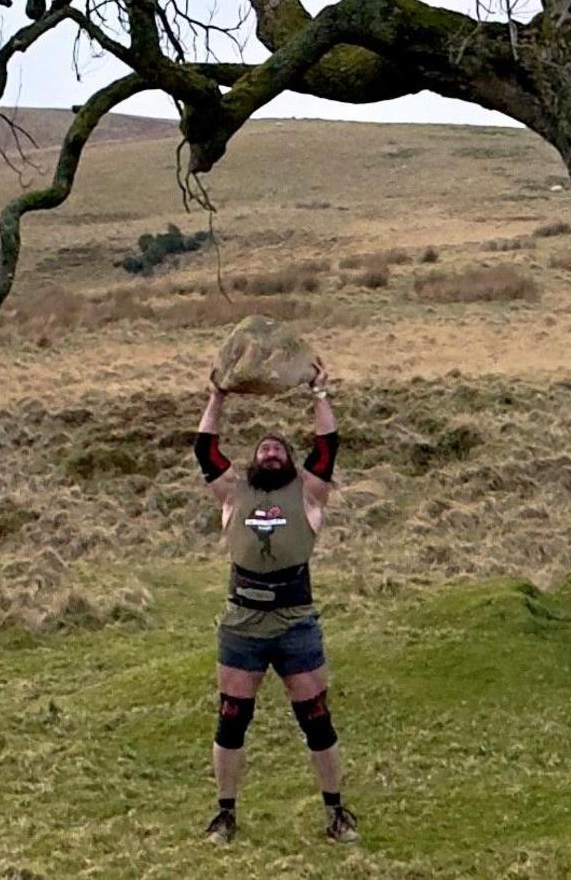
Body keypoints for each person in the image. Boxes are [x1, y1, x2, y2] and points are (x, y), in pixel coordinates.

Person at [193, 359, 352, 843]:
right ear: (253, 461)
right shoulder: (231, 494)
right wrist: (218, 396)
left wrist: (319, 395)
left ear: (290, 460)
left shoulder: (308, 495)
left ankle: (337, 813)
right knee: (232, 716)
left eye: (279, 447)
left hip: (294, 621)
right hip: (243, 621)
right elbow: (205, 448)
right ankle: (225, 813)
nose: (270, 450)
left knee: (316, 718)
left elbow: (327, 447)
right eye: (263, 447)